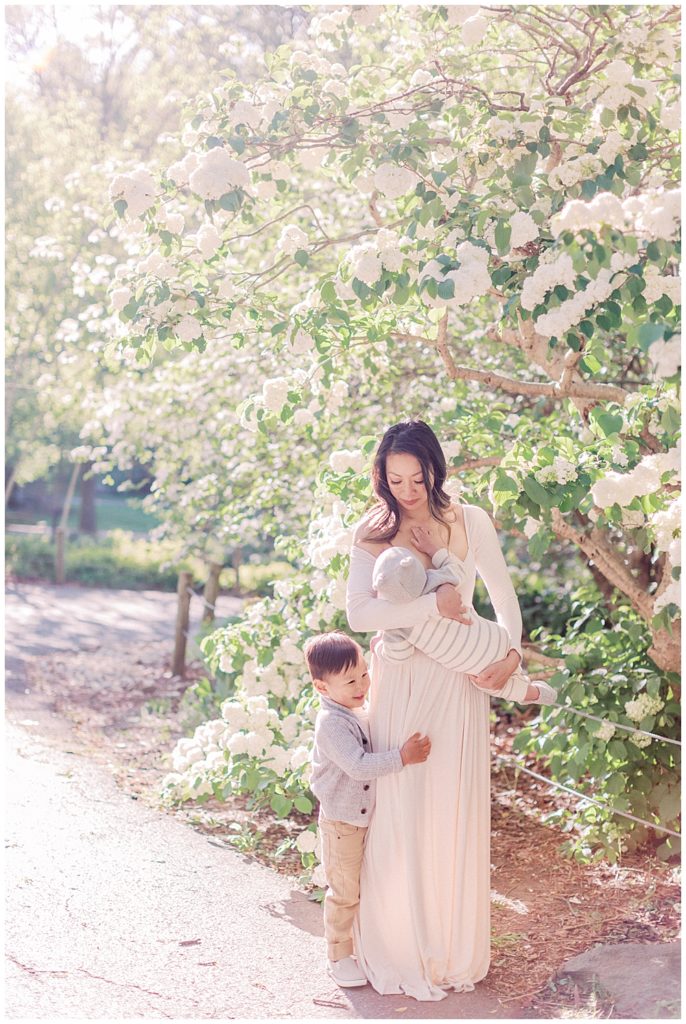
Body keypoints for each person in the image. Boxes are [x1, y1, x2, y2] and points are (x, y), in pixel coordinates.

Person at [346, 419, 534, 1001]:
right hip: (401, 683)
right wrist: (433, 601)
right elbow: (360, 616)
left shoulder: (469, 520)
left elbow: (503, 598)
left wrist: (509, 653)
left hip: (459, 683)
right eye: (394, 478)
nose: (406, 489)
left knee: (452, 809)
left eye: (416, 476)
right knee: (402, 810)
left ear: (435, 468)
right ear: (382, 478)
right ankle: (400, 946)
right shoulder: (373, 531)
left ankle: (451, 950)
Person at [305, 630, 431, 989]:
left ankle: (367, 941)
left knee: (369, 883)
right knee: (344, 891)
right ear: (322, 687)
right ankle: (338, 955)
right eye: (351, 681)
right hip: (342, 823)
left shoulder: (352, 708)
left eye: (363, 673)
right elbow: (359, 765)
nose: (362, 684)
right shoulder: (331, 723)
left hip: (364, 816)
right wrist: (402, 758)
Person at [372, 532, 556, 704]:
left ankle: (532, 693)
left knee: (500, 687)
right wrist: (433, 549)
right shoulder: (435, 580)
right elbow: (457, 568)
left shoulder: (396, 624)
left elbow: (399, 656)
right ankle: (527, 685)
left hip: (477, 663)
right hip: (495, 635)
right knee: (500, 671)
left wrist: (379, 647)